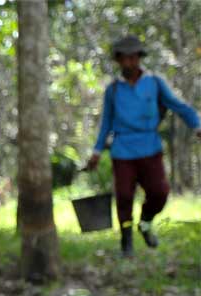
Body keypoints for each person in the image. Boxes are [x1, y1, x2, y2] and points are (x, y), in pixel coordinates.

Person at [86, 35, 201, 257]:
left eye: (133, 58)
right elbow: (106, 123)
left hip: (150, 148)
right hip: (123, 150)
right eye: (124, 59)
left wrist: (197, 125)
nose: (129, 63)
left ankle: (146, 222)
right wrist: (96, 151)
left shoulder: (154, 83)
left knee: (160, 192)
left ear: (139, 58)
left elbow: (179, 106)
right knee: (124, 197)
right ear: (118, 61)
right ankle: (126, 242)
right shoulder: (114, 90)